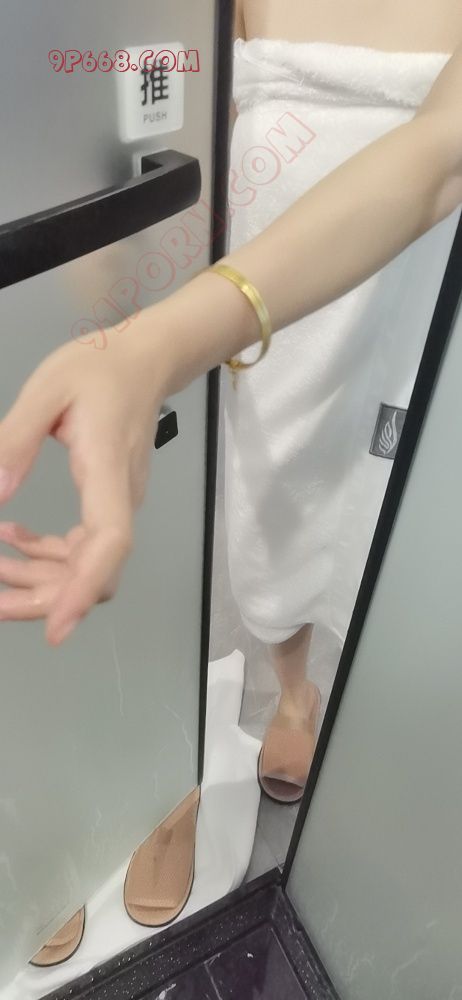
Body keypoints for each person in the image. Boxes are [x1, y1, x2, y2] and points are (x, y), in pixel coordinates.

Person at [0, 1, 461, 810]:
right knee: (276, 505)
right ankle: (295, 693)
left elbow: (439, 157)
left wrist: (156, 347)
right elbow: (178, 83)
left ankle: (387, 699)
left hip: (418, 287)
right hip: (277, 311)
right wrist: (138, 326)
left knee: (402, 516)